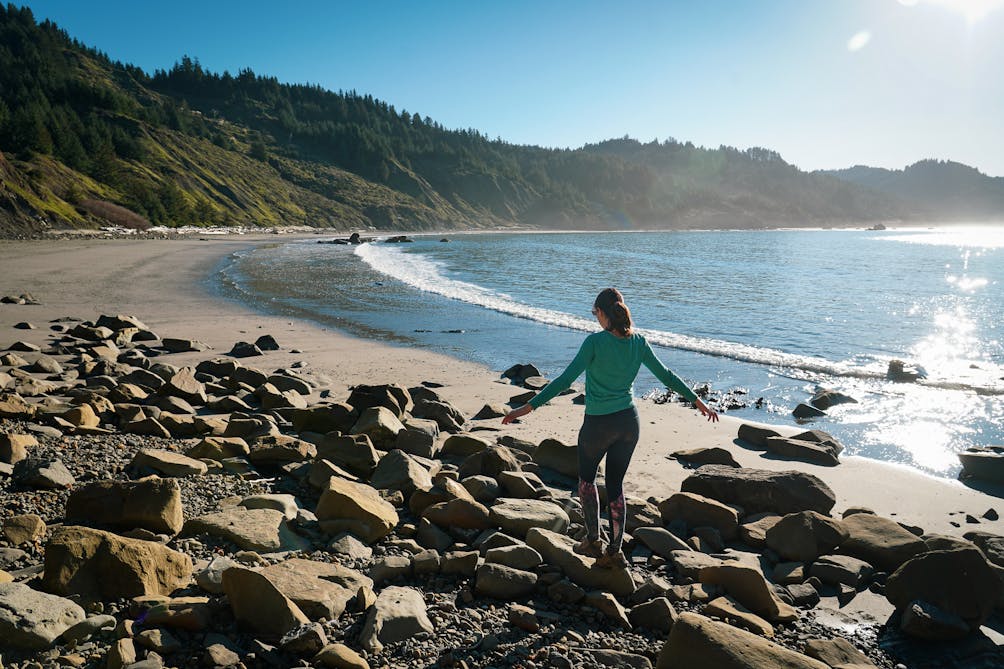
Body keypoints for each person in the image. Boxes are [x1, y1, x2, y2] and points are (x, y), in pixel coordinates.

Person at [502, 287, 719, 567]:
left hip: (598, 426)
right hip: (629, 423)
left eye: (595, 313)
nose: (595, 319)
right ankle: (615, 551)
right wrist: (698, 402)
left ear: (603, 313)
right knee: (616, 487)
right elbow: (666, 376)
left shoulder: (594, 343)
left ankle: (593, 540)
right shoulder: (639, 342)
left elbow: (566, 380)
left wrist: (528, 407)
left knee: (586, 481)